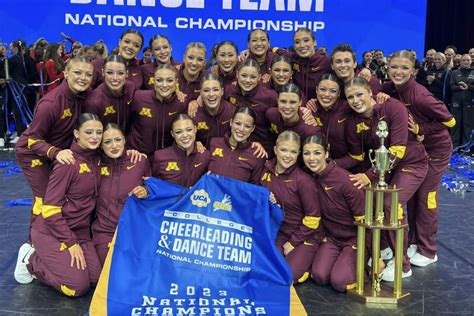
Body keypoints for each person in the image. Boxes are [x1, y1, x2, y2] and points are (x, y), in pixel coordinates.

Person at [344, 77, 429, 281]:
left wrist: (369, 176)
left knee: (391, 204)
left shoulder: (393, 108)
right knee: (367, 200)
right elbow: (357, 157)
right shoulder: (353, 122)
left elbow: (398, 149)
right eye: (350, 97)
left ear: (370, 93)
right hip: (382, 170)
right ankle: (385, 247)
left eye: (359, 95)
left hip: (410, 164)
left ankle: (403, 264)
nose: (355, 100)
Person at [14, 113, 103, 297]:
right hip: (52, 231)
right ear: (77, 134)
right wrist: (70, 243)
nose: (95, 136)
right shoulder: (67, 163)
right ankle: (31, 261)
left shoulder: (97, 158)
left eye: (98, 132)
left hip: (81, 232)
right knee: (77, 288)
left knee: (96, 279)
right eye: (89, 132)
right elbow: (50, 210)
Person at [382, 50, 455, 268]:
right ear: (387, 68)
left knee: (426, 198)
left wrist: (422, 128)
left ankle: (428, 249)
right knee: (412, 198)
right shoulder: (390, 89)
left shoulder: (420, 96)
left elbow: (450, 121)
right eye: (394, 66)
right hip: (416, 151)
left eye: (404, 68)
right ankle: (413, 240)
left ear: (413, 71)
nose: (398, 71)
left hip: (436, 151)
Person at [16, 57, 94, 231]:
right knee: (44, 199)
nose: (83, 77)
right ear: (66, 73)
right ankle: (32, 244)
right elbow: (32, 140)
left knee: (60, 196)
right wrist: (56, 153)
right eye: (78, 72)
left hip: (57, 150)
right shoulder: (50, 104)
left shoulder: (83, 95)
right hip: (33, 153)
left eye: (88, 74)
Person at [302, 135, 365, 292]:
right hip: (332, 238)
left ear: (327, 154)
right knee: (319, 276)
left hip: (355, 239)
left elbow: (365, 222)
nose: (311, 158)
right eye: (306, 153)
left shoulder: (345, 180)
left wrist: (374, 254)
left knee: (339, 282)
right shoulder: (307, 176)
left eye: (317, 153)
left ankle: (366, 267)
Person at [260, 131, 322, 283]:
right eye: (284, 150)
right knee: (263, 269)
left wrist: (293, 242)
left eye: (293, 151)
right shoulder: (265, 171)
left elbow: (313, 218)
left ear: (298, 154)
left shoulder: (303, 180)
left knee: (287, 275)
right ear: (275, 150)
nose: (288, 155)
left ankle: (309, 261)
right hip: (279, 233)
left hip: (304, 236)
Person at [92, 124, 150, 265]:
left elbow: (151, 188)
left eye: (117, 140)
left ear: (124, 140)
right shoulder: (94, 164)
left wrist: (146, 191)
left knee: (137, 270)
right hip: (105, 232)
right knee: (109, 272)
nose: (114, 145)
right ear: (100, 145)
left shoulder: (140, 161)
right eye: (107, 142)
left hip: (134, 230)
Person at [127, 64, 188, 156]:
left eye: (170, 80)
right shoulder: (138, 97)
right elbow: (126, 122)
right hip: (136, 154)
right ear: (154, 81)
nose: (164, 85)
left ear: (176, 82)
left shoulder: (181, 103)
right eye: (159, 80)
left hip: (164, 157)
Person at [224, 58, 278, 154]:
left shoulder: (270, 96)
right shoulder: (229, 90)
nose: (247, 80)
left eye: (253, 77)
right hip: (235, 146)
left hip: (261, 149)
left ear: (259, 77)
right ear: (237, 75)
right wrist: (196, 101)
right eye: (244, 76)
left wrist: (304, 111)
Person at [208, 106, 266, 184]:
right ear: (231, 122)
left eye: (247, 126)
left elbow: (254, 188)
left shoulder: (257, 154)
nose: (241, 129)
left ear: (253, 128)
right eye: (238, 123)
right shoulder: (214, 142)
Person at [306, 74, 352, 167]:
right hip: (315, 164)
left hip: (345, 167)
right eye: (322, 89)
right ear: (316, 90)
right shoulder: (311, 108)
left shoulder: (348, 108)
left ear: (339, 93)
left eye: (333, 91)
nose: (327, 95)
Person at [153, 114, 210, 187]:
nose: (185, 135)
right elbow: (154, 186)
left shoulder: (205, 156)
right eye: (178, 132)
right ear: (172, 134)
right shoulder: (160, 156)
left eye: (189, 130)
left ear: (195, 129)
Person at [83, 55, 135, 133]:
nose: (115, 78)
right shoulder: (93, 102)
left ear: (126, 73)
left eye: (120, 73)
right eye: (110, 72)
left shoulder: (131, 88)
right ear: (103, 72)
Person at [277, 27, 331, 100]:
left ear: (315, 42)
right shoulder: (293, 58)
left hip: (321, 105)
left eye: (306, 40)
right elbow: (275, 50)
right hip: (298, 105)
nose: (302, 45)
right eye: (297, 42)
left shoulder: (326, 62)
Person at [193, 74, 235, 147]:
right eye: (206, 90)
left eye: (215, 90)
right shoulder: (193, 113)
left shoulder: (232, 111)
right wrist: (193, 144)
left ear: (222, 91)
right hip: (203, 155)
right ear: (200, 93)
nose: (211, 94)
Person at [450, 54, 474, 147]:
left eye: (468, 60)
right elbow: (451, 87)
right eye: (464, 60)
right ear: (460, 61)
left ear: (471, 61)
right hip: (456, 102)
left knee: (468, 125)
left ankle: (466, 148)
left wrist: (469, 87)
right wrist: (459, 87)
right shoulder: (455, 72)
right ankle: (454, 146)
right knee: (455, 125)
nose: (466, 62)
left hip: (469, 103)